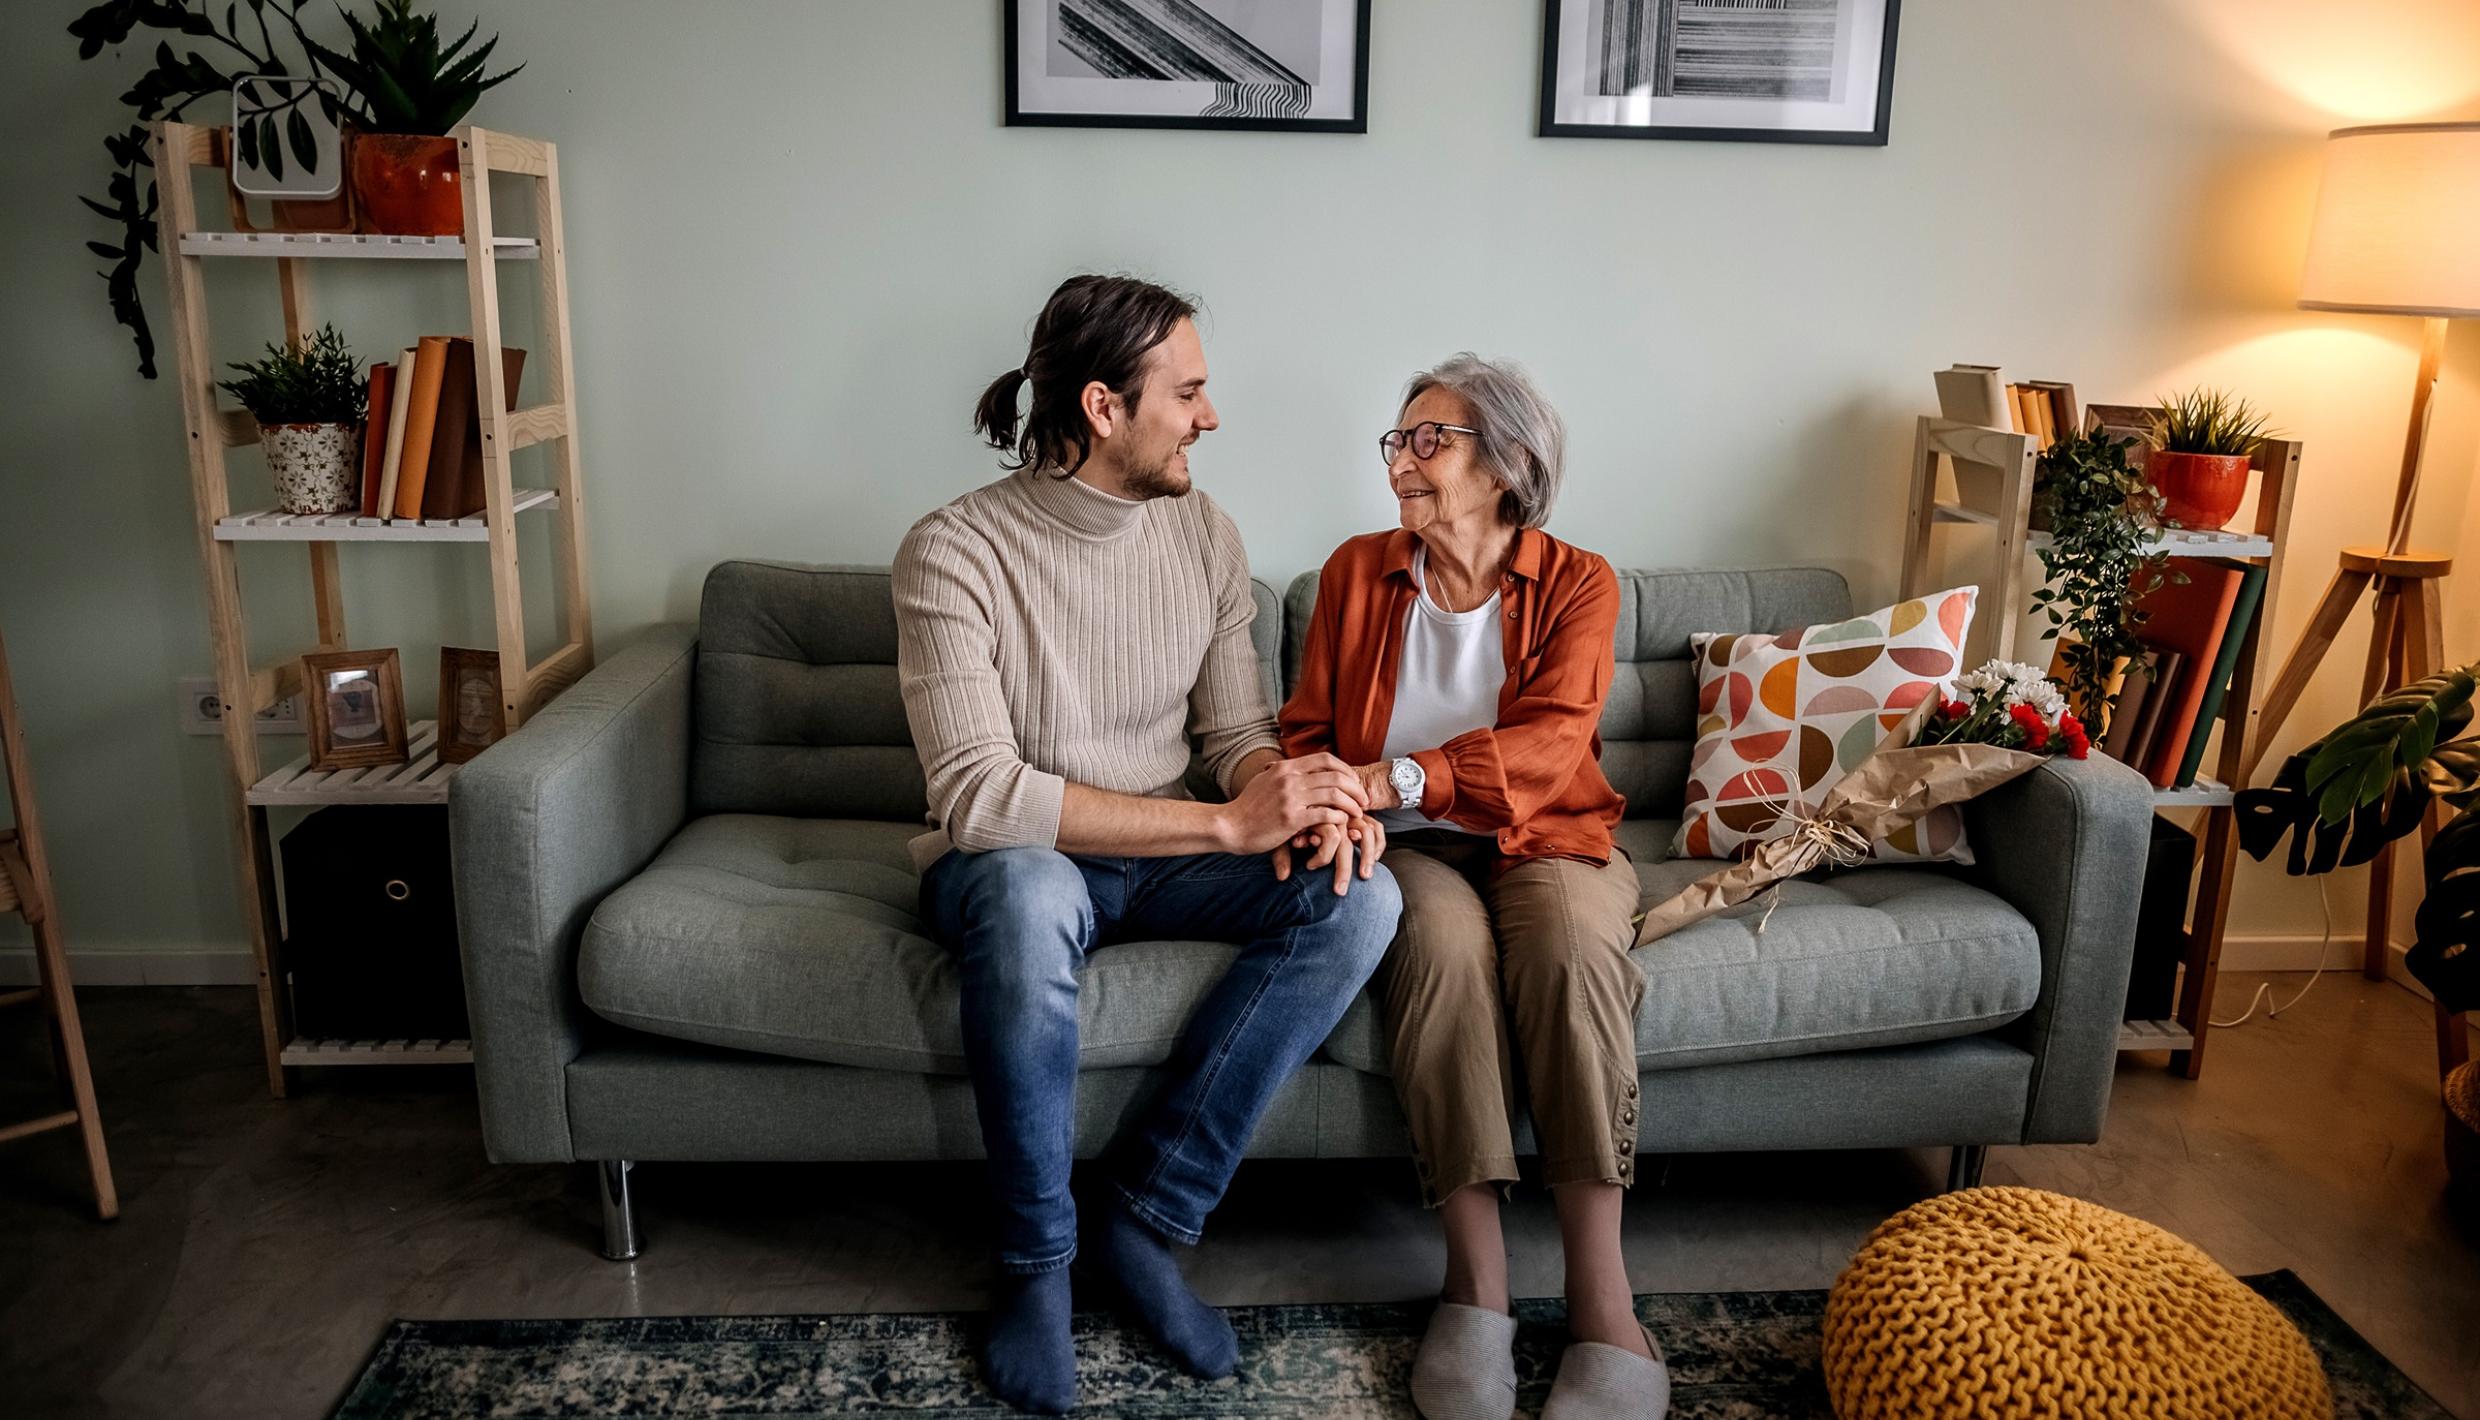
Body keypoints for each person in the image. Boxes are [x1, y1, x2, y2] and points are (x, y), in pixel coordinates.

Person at [894, 274, 1402, 1415]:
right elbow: (977, 793)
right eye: (1190, 391)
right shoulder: (952, 551)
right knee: (1026, 895)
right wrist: (1224, 823)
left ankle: (1143, 1218)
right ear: (1103, 407)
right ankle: (1035, 1265)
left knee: (1360, 895)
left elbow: (1229, 733)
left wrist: (1295, 795)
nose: (1209, 416)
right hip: (1013, 867)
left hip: (1164, 856)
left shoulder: (1203, 534)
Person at [1279, 355, 1669, 1420]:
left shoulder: (1579, 580)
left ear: (1505, 464)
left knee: (1568, 949)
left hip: (1543, 834)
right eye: (1395, 441)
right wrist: (1339, 797)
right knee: (1441, 950)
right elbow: (1308, 732)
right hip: (1405, 847)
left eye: (1427, 440)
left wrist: (1402, 771)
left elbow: (1549, 746)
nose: (1400, 461)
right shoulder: (1356, 574)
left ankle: (1603, 1305)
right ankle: (1475, 1290)